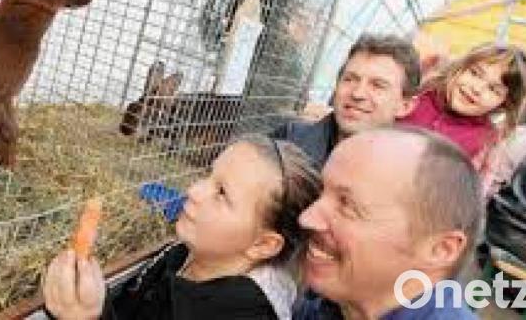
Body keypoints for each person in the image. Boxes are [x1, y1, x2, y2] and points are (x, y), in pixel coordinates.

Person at [42, 134, 322, 320]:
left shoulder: (239, 313)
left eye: (222, 193)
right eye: (209, 175)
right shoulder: (186, 254)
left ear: (262, 244)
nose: (194, 191)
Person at [294, 126, 483, 319]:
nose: (306, 218)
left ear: (441, 249)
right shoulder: (328, 303)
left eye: (347, 205)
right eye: (319, 192)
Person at [272, 34, 421, 168]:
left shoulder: (406, 177)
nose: (357, 93)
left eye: (377, 85)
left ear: (405, 106)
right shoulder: (288, 143)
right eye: (350, 79)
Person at [398, 43, 526, 179]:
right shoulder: (418, 92)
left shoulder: (485, 143)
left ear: (504, 104)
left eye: (493, 89)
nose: (477, 89)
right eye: (475, 73)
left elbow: (476, 186)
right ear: (460, 67)